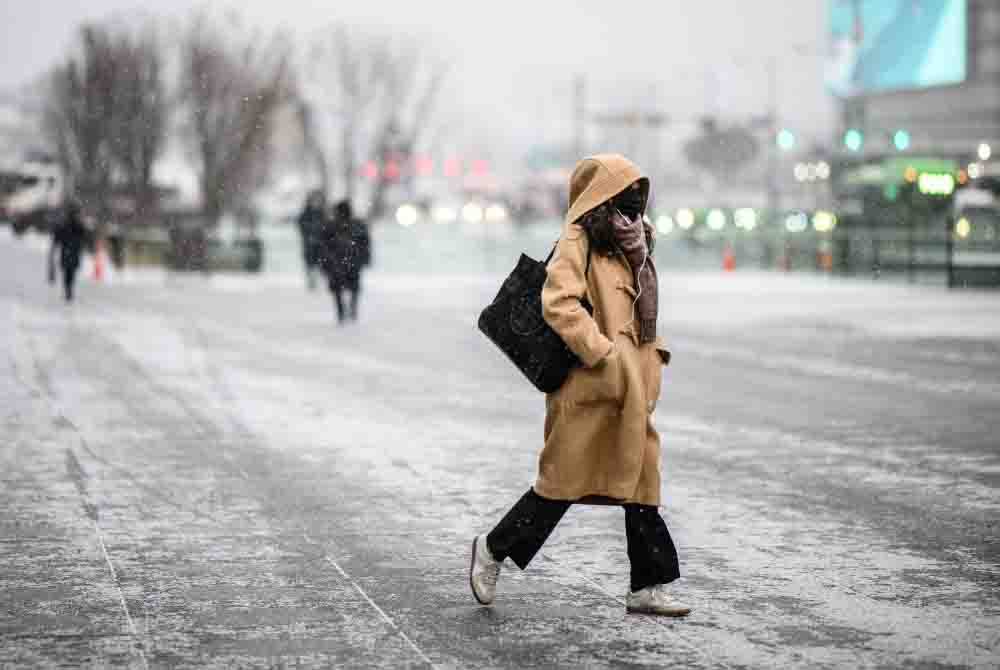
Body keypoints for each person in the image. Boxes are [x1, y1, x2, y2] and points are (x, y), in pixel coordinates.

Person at [469, 154, 690, 617]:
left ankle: (646, 586)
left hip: (631, 388)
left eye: (638, 196)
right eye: (624, 195)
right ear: (601, 197)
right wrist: (603, 355)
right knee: (559, 486)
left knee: (642, 483)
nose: (633, 206)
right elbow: (558, 302)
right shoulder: (578, 239)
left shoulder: (634, 246)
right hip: (589, 388)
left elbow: (643, 309)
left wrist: (644, 359)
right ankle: (492, 550)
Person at [319, 199, 370, 323]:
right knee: (352, 288)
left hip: (337, 262)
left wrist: (325, 262)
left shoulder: (331, 225)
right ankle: (351, 310)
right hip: (351, 262)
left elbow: (323, 246)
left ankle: (342, 312)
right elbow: (365, 244)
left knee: (338, 289)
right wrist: (364, 258)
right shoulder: (357, 224)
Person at [48, 198, 89, 303]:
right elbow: (84, 237)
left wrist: (54, 247)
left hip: (67, 251)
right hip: (73, 251)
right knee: (71, 272)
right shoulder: (78, 224)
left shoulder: (64, 224)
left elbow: (57, 238)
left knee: (67, 272)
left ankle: (68, 289)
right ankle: (69, 289)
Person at [297, 190, 326, 290]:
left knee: (320, 263)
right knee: (310, 263)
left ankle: (318, 280)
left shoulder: (322, 213)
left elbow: (326, 227)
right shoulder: (305, 214)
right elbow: (301, 226)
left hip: (320, 244)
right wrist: (309, 235)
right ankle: (311, 281)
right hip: (309, 244)